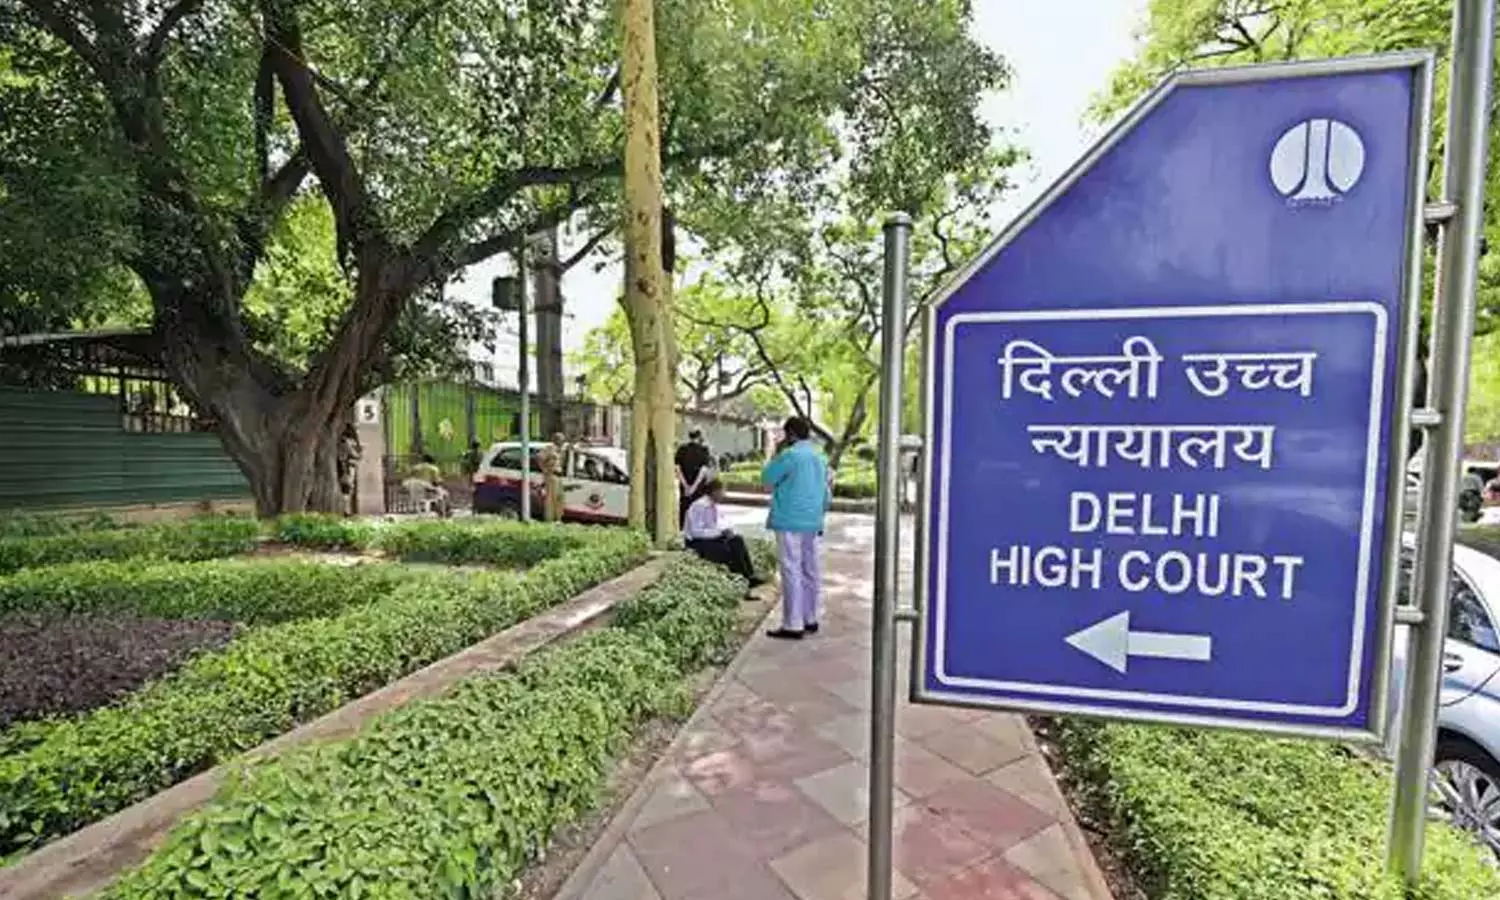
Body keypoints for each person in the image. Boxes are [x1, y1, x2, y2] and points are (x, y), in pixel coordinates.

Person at [762, 416, 831, 640]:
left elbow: (767, 479)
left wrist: (775, 452)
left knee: (791, 570)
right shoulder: (820, 456)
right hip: (813, 520)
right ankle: (810, 618)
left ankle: (793, 624)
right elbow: (826, 491)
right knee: (810, 569)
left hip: (789, 519)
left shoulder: (789, 455)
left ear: (790, 434)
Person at [683, 479, 765, 590]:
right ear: (714, 492)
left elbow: (717, 524)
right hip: (696, 542)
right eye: (722, 491)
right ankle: (740, 581)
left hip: (708, 538)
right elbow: (696, 532)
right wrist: (719, 533)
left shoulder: (713, 505)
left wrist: (724, 531)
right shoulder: (700, 506)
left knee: (737, 540)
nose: (724, 494)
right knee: (726, 551)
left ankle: (750, 575)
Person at [675, 429, 713, 526]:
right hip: (699, 487)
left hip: (684, 487)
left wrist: (685, 485)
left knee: (684, 508)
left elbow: (677, 468)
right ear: (699, 437)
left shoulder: (682, 449)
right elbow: (703, 470)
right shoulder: (704, 450)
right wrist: (694, 487)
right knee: (698, 509)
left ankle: (683, 529)